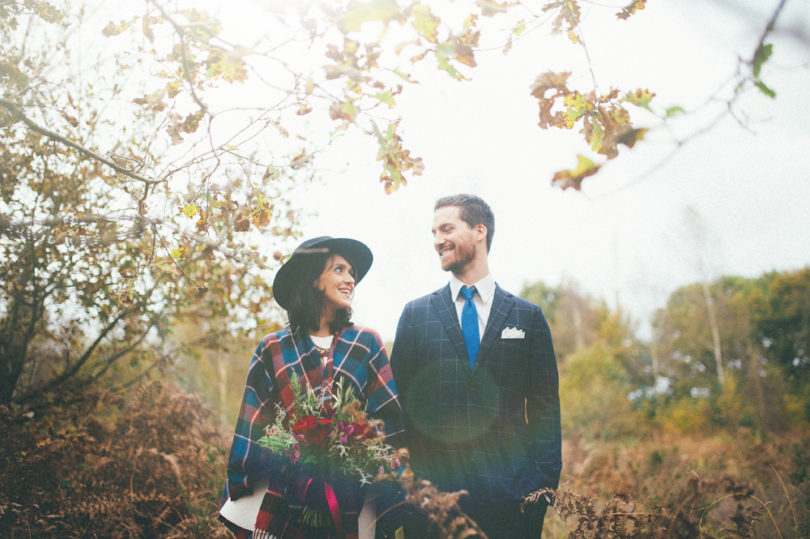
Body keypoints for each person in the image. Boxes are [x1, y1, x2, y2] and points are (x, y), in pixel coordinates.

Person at [390, 194, 561, 538]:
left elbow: (545, 412)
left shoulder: (528, 317)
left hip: (512, 505)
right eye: (434, 232)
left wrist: (540, 490)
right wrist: (404, 492)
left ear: (479, 231)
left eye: (447, 229)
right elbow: (396, 410)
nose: (437, 240)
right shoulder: (415, 316)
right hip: (432, 506)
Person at [220, 236, 403, 539]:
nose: (350, 280)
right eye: (340, 270)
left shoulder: (366, 342)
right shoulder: (273, 347)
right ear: (315, 280)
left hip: (350, 496)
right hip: (283, 491)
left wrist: (372, 460)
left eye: (352, 274)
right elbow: (253, 425)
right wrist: (245, 478)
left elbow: (387, 420)